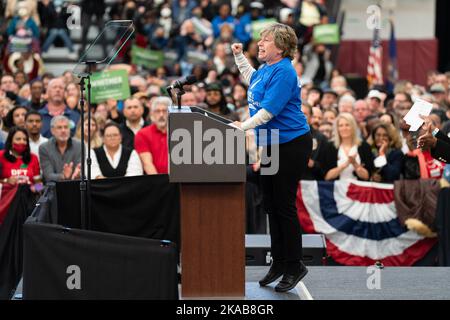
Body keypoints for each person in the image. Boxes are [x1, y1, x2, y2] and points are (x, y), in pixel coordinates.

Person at [231, 23, 312, 293]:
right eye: (260, 39)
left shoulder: (285, 71)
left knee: (284, 205)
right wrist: (239, 57)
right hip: (271, 145)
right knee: (271, 205)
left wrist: (242, 127)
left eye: (266, 40)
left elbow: (269, 111)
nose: (260, 43)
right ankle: (279, 262)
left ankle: (295, 264)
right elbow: (251, 80)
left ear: (281, 47)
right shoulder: (266, 69)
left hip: (290, 144)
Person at [325, 113, 374, 181]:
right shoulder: (330, 147)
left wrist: (355, 163)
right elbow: (327, 176)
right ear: (337, 128)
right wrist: (345, 164)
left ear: (353, 127)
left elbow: (367, 176)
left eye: (347, 125)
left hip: (358, 189)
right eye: (340, 126)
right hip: (336, 189)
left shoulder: (364, 146)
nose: (344, 128)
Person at [39, 115, 82, 182]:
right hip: (53, 188)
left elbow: (80, 168)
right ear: (52, 130)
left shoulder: (79, 145)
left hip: (75, 185)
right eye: (59, 127)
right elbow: (48, 176)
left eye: (66, 127)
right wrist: (63, 176)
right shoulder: (44, 148)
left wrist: (78, 174)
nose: (63, 130)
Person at [134, 96, 170, 175]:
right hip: (156, 182)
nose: (161, 115)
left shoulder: (180, 132)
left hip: (180, 181)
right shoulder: (142, 134)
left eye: (164, 111)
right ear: (152, 114)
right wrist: (161, 184)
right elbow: (147, 164)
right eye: (157, 111)